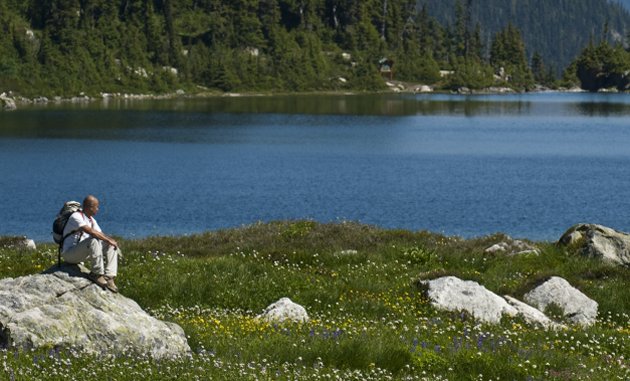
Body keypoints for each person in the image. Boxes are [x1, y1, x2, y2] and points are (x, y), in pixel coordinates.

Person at [62, 195, 120, 293]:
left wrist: (111, 241)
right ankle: (96, 274)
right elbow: (90, 231)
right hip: (69, 254)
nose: (98, 209)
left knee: (111, 245)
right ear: (90, 207)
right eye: (96, 207)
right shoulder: (76, 216)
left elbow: (100, 234)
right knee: (93, 239)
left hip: (82, 253)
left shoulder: (91, 220)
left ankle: (109, 277)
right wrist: (107, 239)